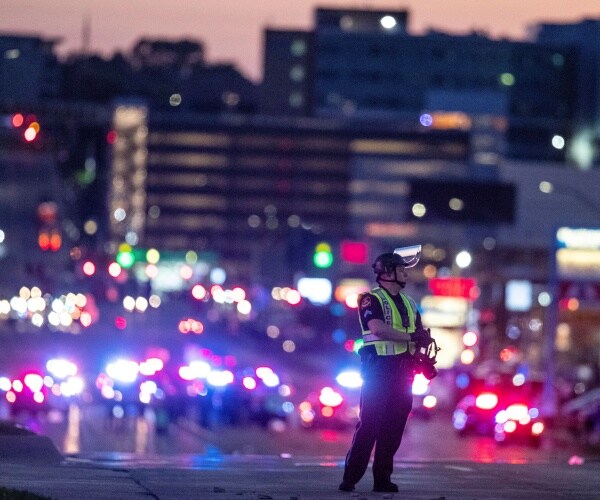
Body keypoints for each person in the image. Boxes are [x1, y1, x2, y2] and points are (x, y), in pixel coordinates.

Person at [339, 246, 431, 493]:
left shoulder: (410, 303)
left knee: (393, 428)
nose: (406, 274)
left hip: (404, 374)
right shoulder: (371, 299)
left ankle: (382, 479)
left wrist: (422, 351)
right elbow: (378, 328)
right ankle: (351, 477)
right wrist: (410, 336)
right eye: (401, 269)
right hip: (378, 372)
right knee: (369, 425)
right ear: (387, 273)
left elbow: (417, 334)